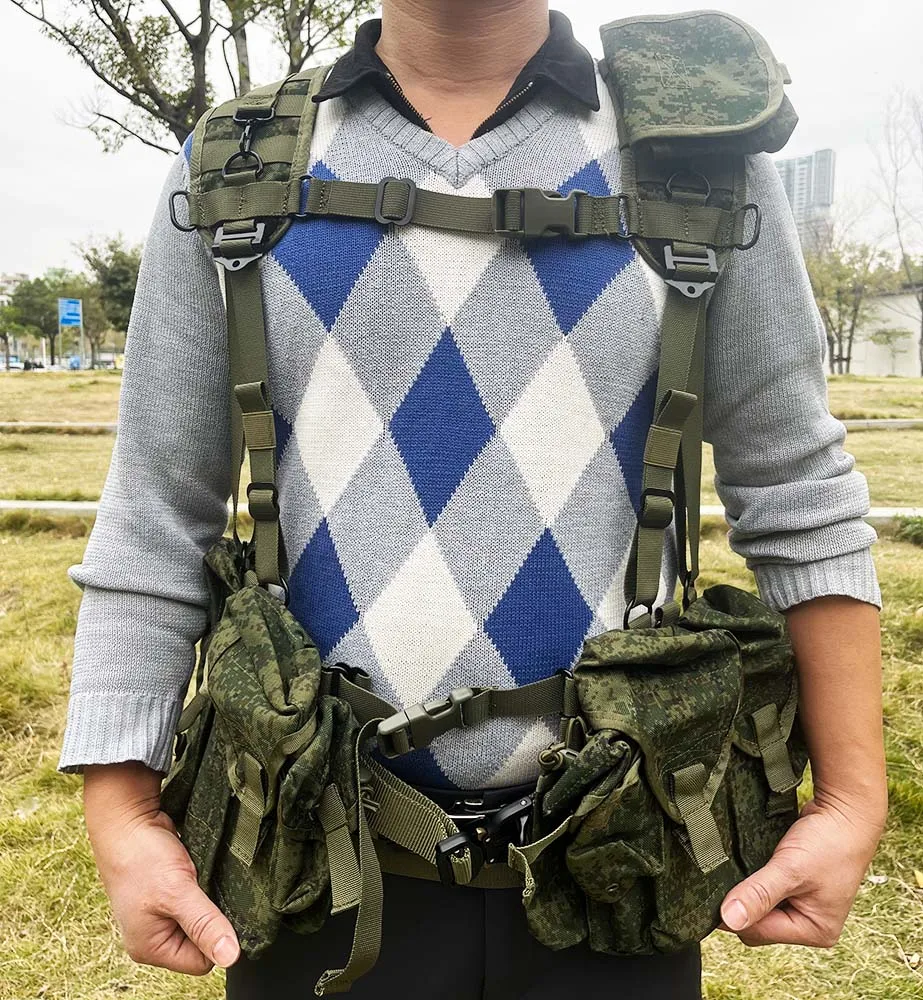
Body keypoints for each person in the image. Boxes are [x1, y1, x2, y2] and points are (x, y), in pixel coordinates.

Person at [59, 3, 888, 998]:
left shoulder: (698, 157)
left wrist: (849, 799)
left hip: (615, 873)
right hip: (312, 877)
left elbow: (795, 483)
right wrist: (122, 809)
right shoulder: (234, 165)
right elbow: (155, 509)